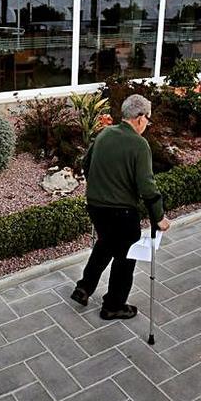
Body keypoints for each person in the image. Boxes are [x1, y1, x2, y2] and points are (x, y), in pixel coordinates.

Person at [70, 94, 171, 320]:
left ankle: (84, 287)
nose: (148, 124)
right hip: (122, 212)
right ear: (139, 117)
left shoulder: (104, 134)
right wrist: (159, 218)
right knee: (125, 257)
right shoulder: (139, 145)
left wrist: (100, 186)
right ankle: (113, 305)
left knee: (105, 245)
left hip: (95, 206)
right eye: (148, 119)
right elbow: (147, 186)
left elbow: (86, 164)